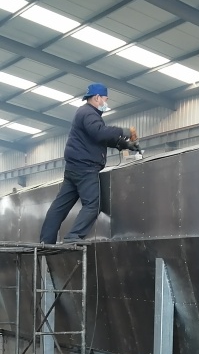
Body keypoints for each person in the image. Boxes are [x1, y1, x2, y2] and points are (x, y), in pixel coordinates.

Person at [39, 83, 140, 244]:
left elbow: (98, 137)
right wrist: (123, 131)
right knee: (93, 205)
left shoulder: (86, 114)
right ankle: (73, 236)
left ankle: (46, 240)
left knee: (60, 206)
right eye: (106, 99)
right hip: (85, 168)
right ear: (97, 97)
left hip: (74, 168)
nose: (106, 103)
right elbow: (99, 133)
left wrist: (124, 144)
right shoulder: (88, 113)